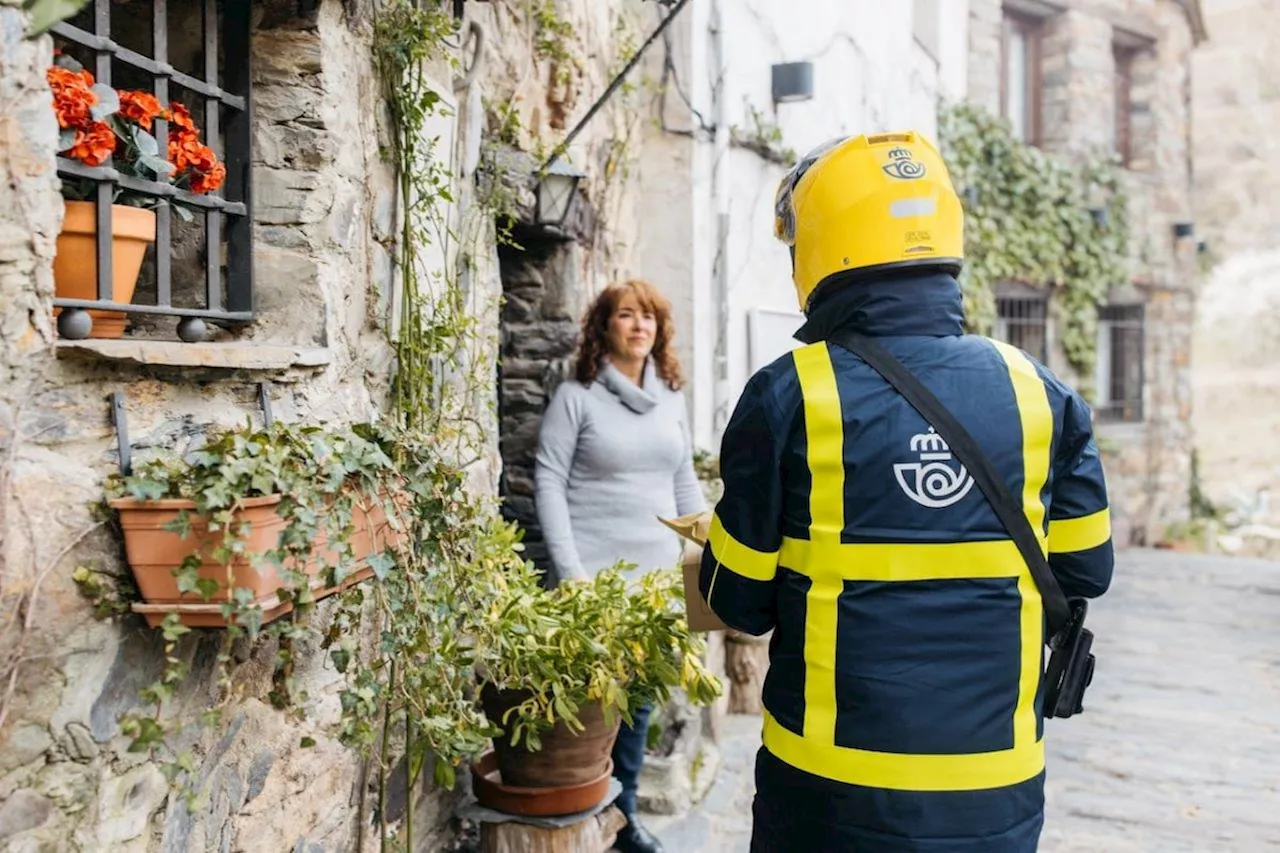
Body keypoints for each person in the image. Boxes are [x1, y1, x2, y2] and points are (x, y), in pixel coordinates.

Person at [699, 131, 1115, 852]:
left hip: (829, 797)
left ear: (823, 248)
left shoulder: (790, 394)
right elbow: (1086, 571)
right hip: (995, 794)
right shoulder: (1039, 393)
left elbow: (737, 602)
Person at [535, 279, 705, 853]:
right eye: (626, 316)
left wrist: (702, 577)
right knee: (591, 710)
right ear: (603, 327)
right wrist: (571, 572)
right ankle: (590, 818)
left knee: (636, 706)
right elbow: (549, 483)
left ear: (659, 332)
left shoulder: (672, 398)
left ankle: (625, 817)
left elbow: (684, 483)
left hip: (655, 585)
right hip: (592, 582)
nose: (639, 326)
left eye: (649, 318)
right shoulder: (576, 397)